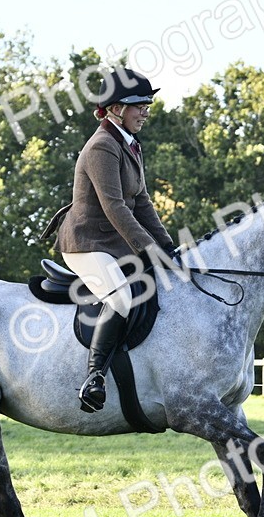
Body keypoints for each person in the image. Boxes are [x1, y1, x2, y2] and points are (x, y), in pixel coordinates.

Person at [50, 68, 177, 413]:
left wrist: (167, 247)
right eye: (140, 105)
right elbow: (116, 208)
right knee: (121, 296)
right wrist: (148, 250)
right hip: (87, 243)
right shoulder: (102, 146)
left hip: (114, 243)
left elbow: (143, 203)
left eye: (148, 104)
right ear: (116, 108)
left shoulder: (129, 144)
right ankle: (94, 378)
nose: (146, 111)